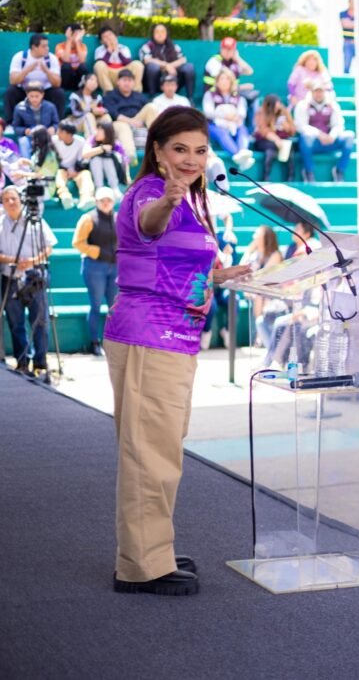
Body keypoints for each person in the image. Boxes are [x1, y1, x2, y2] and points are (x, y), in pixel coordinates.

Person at [102, 106, 252, 595]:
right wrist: (167, 198)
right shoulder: (153, 194)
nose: (191, 160)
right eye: (180, 150)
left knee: (161, 450)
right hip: (149, 336)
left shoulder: (193, 198)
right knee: (149, 454)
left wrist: (220, 275)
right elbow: (148, 226)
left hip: (172, 337)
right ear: (158, 152)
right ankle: (142, 567)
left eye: (200, 150)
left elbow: (168, 265)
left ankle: (152, 549)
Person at [0, 185, 58, 376]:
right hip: (11, 277)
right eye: (6, 199)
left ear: (21, 199)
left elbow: (49, 246)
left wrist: (32, 261)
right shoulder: (0, 223)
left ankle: (40, 361)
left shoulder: (35, 221)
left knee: (40, 321)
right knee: (15, 323)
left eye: (14, 198)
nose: (10, 202)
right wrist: (13, 261)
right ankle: (22, 361)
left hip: (35, 277)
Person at [72, 187, 119, 356]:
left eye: (109, 200)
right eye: (102, 200)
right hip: (94, 267)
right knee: (96, 305)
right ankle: (94, 342)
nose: (106, 203)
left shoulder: (118, 218)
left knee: (114, 306)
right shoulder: (88, 218)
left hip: (114, 267)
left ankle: (112, 342)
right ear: (97, 202)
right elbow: (77, 242)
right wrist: (97, 251)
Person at [293, 80, 354, 182]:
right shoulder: (303, 105)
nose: (318, 94)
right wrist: (319, 134)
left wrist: (332, 135)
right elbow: (301, 126)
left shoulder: (332, 105)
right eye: (316, 91)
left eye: (321, 91)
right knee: (305, 136)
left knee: (349, 136)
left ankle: (339, 170)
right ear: (311, 92)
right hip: (313, 142)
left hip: (329, 141)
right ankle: (309, 171)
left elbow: (338, 124)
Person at [6, 33, 65, 122]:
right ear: (34, 47)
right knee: (11, 92)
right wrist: (27, 70)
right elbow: (13, 81)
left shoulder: (51, 58)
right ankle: (10, 123)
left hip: (44, 92)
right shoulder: (20, 57)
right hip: (25, 91)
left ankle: (58, 123)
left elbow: (57, 83)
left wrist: (46, 71)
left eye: (47, 46)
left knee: (59, 93)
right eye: (44, 46)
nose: (47, 48)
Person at [201, 70, 252, 169]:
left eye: (227, 79)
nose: (224, 81)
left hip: (234, 124)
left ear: (231, 81)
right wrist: (224, 115)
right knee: (222, 133)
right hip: (214, 125)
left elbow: (242, 113)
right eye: (221, 79)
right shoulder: (209, 95)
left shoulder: (238, 97)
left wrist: (235, 116)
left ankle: (243, 152)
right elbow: (208, 112)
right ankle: (237, 155)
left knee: (243, 129)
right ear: (217, 81)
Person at [103, 69, 159, 157]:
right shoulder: (110, 96)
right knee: (123, 126)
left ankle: (157, 144)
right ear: (118, 82)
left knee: (151, 107)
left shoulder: (139, 96)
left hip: (136, 120)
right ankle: (130, 156)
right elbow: (113, 114)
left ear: (133, 83)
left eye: (130, 80)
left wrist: (139, 122)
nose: (127, 83)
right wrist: (131, 122)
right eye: (124, 80)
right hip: (119, 123)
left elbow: (148, 112)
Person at [202, 38, 257, 115]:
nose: (227, 52)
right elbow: (223, 84)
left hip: (231, 93)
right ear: (220, 49)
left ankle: (252, 126)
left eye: (230, 49)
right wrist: (243, 87)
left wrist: (238, 58)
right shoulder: (214, 61)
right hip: (215, 94)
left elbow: (249, 71)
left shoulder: (235, 62)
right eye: (225, 48)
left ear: (235, 51)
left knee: (252, 96)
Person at [139, 24, 195, 98]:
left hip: (173, 79)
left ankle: (190, 99)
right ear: (153, 34)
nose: (160, 34)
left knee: (189, 67)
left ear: (166, 34)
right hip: (156, 82)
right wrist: (166, 65)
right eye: (157, 32)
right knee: (152, 67)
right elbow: (147, 60)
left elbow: (183, 59)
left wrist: (171, 66)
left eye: (162, 32)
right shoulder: (147, 46)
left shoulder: (174, 46)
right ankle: (151, 98)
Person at [251, 95, 296, 181]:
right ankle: (265, 176)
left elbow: (292, 130)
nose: (277, 108)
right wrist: (276, 139)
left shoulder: (284, 112)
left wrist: (287, 127)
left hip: (282, 140)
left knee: (290, 149)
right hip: (264, 141)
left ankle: (291, 177)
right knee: (270, 149)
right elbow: (263, 130)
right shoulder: (261, 112)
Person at [52, 123, 94, 210]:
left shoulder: (81, 141)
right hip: (61, 169)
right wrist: (66, 169)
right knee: (59, 176)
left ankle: (86, 199)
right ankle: (65, 197)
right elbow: (53, 159)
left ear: (68, 134)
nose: (58, 133)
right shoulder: (54, 140)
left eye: (60, 131)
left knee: (86, 174)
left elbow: (84, 160)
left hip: (76, 170)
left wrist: (75, 170)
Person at [12, 81, 59, 158]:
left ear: (42, 95)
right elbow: (16, 127)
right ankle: (27, 166)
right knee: (23, 141)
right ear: (27, 95)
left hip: (46, 135)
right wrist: (24, 131)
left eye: (37, 96)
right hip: (29, 137)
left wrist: (53, 128)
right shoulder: (19, 108)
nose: (34, 99)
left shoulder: (51, 107)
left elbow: (56, 123)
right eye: (31, 96)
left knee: (55, 139)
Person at [93, 27, 143, 93]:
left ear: (115, 36)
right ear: (101, 41)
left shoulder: (124, 48)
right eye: (105, 37)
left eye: (110, 34)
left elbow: (127, 62)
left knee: (137, 64)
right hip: (109, 75)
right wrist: (109, 52)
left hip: (124, 73)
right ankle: (109, 93)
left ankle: (135, 93)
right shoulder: (99, 50)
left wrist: (118, 51)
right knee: (98, 65)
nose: (109, 38)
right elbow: (100, 64)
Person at [55, 23, 89, 92]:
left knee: (83, 67)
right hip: (65, 78)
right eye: (78, 35)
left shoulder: (83, 46)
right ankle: (63, 91)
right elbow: (65, 59)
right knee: (66, 66)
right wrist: (69, 40)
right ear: (71, 35)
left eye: (81, 35)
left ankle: (82, 90)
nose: (80, 37)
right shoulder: (60, 46)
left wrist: (77, 42)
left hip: (78, 78)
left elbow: (82, 60)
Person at [339, 0, 356, 73]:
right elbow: (345, 24)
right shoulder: (343, 13)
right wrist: (355, 24)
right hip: (347, 42)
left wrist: (351, 23)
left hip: (357, 43)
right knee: (347, 65)